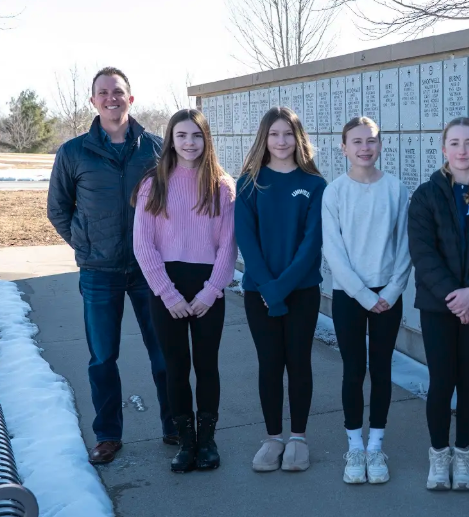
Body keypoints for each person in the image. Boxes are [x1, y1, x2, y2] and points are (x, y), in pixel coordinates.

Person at [47, 67, 177, 464]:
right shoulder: (74, 152)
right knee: (103, 357)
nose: (111, 98)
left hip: (148, 270)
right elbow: (58, 208)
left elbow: (173, 204)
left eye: (117, 92)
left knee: (163, 354)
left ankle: (175, 425)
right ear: (93, 101)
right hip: (98, 272)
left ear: (130, 98)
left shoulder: (155, 148)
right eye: (102, 93)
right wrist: (85, 245)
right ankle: (107, 434)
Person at [132, 109, 237, 473]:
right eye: (182, 136)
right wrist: (167, 293)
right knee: (175, 366)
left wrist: (211, 291)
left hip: (208, 286)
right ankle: (185, 442)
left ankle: (207, 441)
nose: (189, 143)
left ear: (206, 140)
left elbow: (228, 245)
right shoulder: (154, 183)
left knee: (207, 366)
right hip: (167, 288)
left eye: (196, 136)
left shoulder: (222, 186)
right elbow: (143, 245)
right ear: (170, 140)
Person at [407, 117, 469, 491]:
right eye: (455, 143)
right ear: (444, 149)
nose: (463, 151)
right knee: (442, 380)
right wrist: (455, 297)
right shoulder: (427, 194)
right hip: (438, 305)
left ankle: (464, 455)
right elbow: (423, 252)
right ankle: (439, 454)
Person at [234, 107, 326, 473]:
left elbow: (311, 243)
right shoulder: (249, 183)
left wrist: (283, 287)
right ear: (264, 138)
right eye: (274, 134)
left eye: (288, 134)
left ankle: (298, 439)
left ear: (298, 138)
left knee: (299, 364)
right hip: (260, 293)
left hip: (302, 291)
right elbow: (247, 240)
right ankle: (273, 438)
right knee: (270, 365)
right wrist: (268, 289)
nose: (282, 141)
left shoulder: (315, 184)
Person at [322, 116, 411, 485]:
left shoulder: (396, 188)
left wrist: (389, 292)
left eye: (371, 140)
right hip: (349, 296)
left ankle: (376, 445)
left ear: (380, 144)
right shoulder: (335, 191)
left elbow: (405, 245)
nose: (364, 148)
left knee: (382, 370)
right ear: (343, 148)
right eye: (356, 141)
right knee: (353, 371)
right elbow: (333, 249)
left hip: (387, 297)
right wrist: (360, 294)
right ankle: (354, 445)